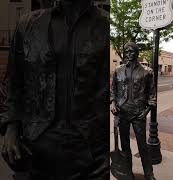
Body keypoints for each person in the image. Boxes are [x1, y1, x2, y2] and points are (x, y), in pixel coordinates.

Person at [0, 0, 109, 179]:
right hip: (35, 150)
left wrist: (111, 152)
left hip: (90, 154)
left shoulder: (106, 26)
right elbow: (13, 83)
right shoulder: (28, 24)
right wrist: (10, 128)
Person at [111, 42, 156, 180]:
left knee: (142, 146)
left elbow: (152, 96)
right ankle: (127, 173)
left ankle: (149, 174)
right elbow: (113, 90)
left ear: (137, 53)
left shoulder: (147, 72)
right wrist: (113, 103)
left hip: (138, 113)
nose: (128, 54)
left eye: (131, 51)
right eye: (126, 51)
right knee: (125, 146)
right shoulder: (118, 70)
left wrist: (146, 111)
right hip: (122, 113)